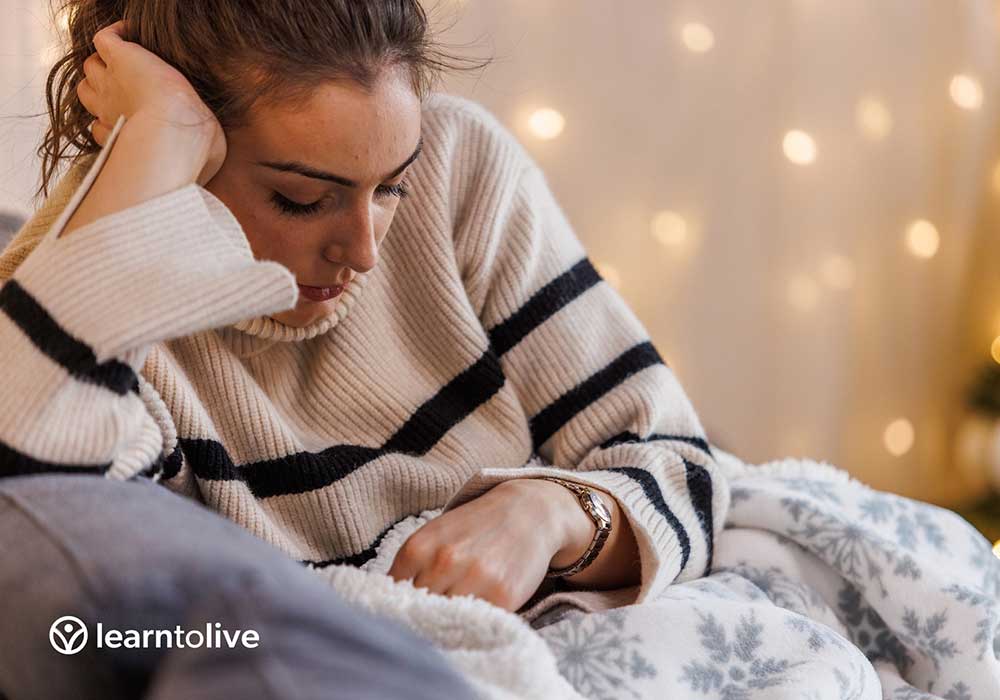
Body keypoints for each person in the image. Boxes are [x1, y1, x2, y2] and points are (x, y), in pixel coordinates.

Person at [0, 0, 729, 687]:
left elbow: (683, 471)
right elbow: (55, 582)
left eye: (390, 188)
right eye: (302, 198)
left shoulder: (459, 165)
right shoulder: (91, 308)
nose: (364, 252)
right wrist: (150, 149)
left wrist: (549, 513)